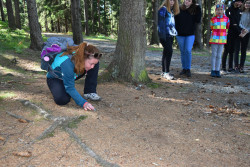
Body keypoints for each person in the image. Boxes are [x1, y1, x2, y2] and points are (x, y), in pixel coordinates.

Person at [46, 42, 102, 111]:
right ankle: (64, 87)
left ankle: (89, 92)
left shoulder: (83, 56)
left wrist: (91, 63)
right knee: (62, 100)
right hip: (56, 78)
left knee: (95, 61)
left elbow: (91, 61)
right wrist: (84, 103)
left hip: (72, 73)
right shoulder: (67, 63)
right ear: (83, 58)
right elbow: (70, 88)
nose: (92, 67)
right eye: (91, 64)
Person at [175, 0, 201, 77]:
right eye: (186, 0)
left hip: (190, 34)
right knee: (182, 51)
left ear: (192, 2)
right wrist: (176, 30)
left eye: (189, 1)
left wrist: (198, 8)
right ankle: (184, 68)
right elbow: (176, 20)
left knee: (188, 50)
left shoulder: (194, 10)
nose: (187, 2)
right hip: (180, 34)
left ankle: (188, 69)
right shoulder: (179, 9)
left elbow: (198, 20)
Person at [158, 0, 180, 80]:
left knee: (166, 52)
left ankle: (164, 72)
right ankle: (167, 73)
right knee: (169, 51)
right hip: (165, 35)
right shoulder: (163, 9)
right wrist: (162, 35)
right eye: (170, 0)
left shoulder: (171, 11)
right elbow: (160, 23)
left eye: (173, 1)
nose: (172, 2)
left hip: (171, 35)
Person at [221, 0, 243, 73]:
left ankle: (230, 67)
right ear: (234, 2)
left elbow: (240, 22)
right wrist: (238, 29)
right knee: (227, 50)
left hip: (236, 34)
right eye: (238, 1)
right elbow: (231, 22)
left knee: (232, 51)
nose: (239, 3)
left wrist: (240, 31)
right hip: (229, 33)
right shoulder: (228, 10)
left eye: (240, 2)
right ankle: (223, 67)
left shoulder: (240, 11)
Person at [209, 3, 230, 78]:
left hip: (222, 39)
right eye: (218, 10)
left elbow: (227, 27)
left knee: (219, 55)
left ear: (223, 10)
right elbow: (211, 28)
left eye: (221, 9)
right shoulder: (213, 19)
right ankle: (213, 70)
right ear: (215, 11)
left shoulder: (226, 19)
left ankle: (217, 70)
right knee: (214, 55)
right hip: (214, 39)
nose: (219, 11)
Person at [234, 0, 250, 73]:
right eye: (246, 3)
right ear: (244, 4)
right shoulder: (240, 11)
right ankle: (236, 66)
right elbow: (238, 21)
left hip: (247, 33)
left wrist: (246, 31)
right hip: (239, 31)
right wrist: (241, 30)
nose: (247, 4)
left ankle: (241, 66)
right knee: (236, 50)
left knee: (243, 50)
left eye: (249, 3)